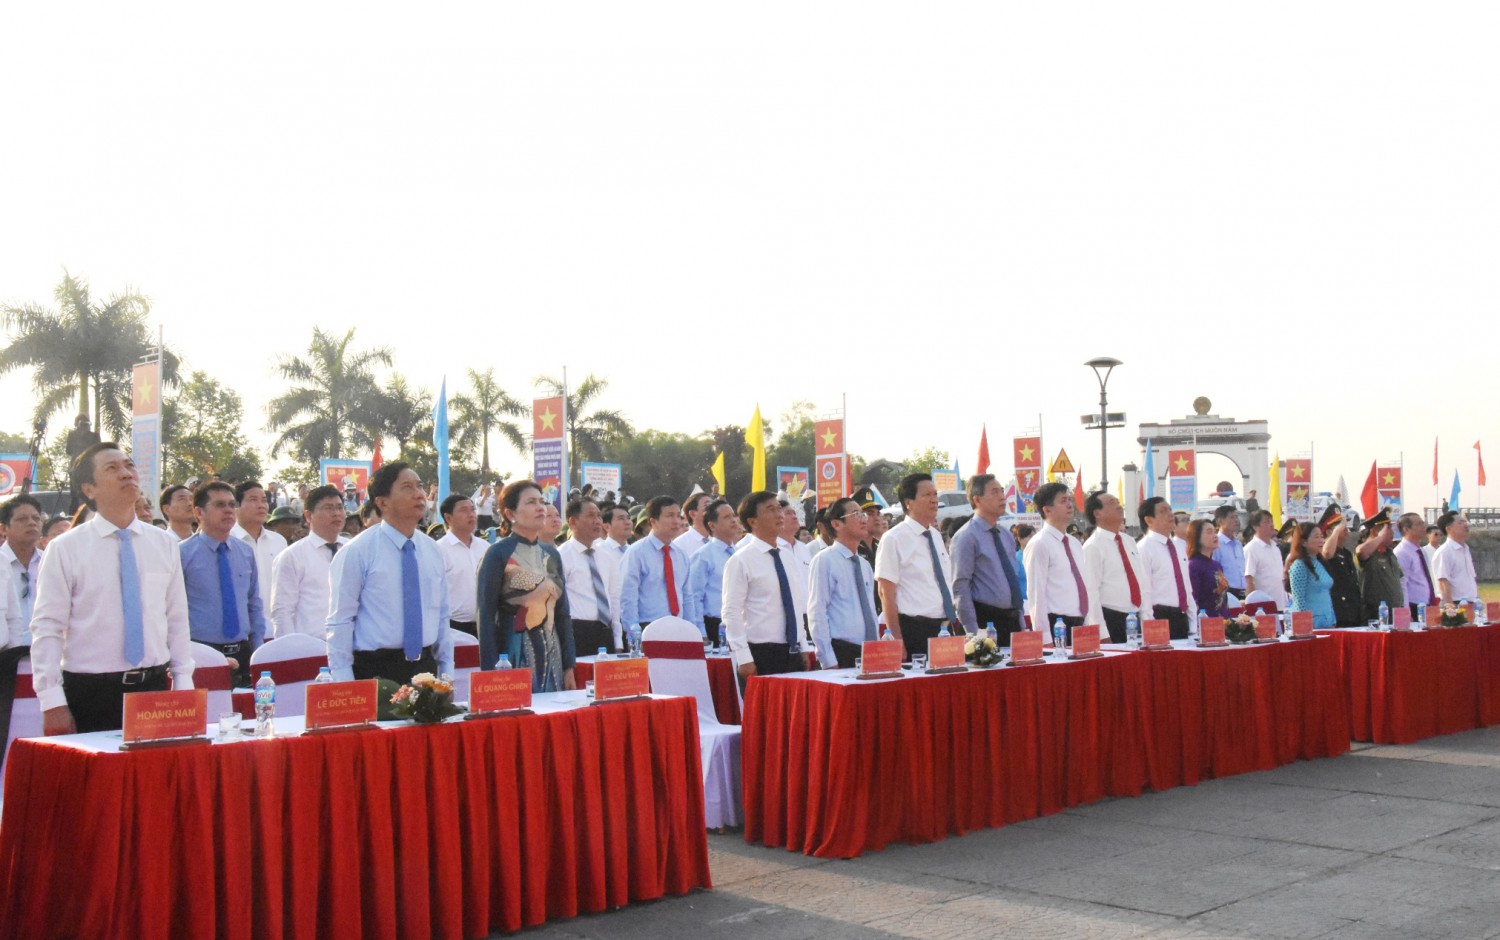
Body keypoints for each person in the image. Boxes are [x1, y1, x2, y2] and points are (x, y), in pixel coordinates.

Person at [30, 442, 195, 734]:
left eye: (129, 465)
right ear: (89, 489)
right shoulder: (66, 548)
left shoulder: (164, 544)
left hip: (153, 689)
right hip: (90, 692)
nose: (126, 473)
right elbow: (47, 627)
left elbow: (177, 618)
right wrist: (52, 701)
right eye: (112, 468)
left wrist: (183, 682)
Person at [326, 462, 454, 686]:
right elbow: (340, 621)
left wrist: (446, 673)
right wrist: (345, 683)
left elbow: (442, 615)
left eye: (419, 486)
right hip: (376, 670)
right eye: (407, 487)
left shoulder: (432, 550)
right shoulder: (357, 551)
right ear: (382, 502)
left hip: (426, 669)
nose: (419, 494)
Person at [476, 480, 575, 691]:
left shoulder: (552, 554)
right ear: (510, 513)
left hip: (553, 655)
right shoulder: (497, 554)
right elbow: (485, 616)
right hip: (512, 655)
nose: (540, 507)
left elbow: (562, 614)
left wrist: (569, 666)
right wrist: (490, 675)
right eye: (531, 502)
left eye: (542, 501)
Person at [180, 482, 265, 687]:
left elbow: (253, 603)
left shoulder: (245, 551)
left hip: (242, 652)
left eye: (231, 504)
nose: (228, 510)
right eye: (219, 505)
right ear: (198, 512)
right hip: (201, 654)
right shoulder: (182, 553)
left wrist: (258, 649)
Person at [724, 491, 809, 689]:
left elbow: (795, 603)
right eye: (770, 510)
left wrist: (803, 645)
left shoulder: (787, 556)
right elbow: (731, 611)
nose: (779, 514)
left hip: (792, 652)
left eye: (779, 508)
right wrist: (743, 656)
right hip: (760, 653)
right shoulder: (741, 560)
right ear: (752, 521)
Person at [875, 473, 958, 660]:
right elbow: (885, 593)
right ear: (908, 503)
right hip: (914, 630)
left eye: (935, 494)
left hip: (945, 628)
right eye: (927, 495)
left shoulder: (935, 536)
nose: (934, 500)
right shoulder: (893, 538)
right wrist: (897, 640)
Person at [950, 474, 1024, 644]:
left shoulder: (1005, 535)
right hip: (984, 622)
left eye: (1002, 491)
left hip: (1011, 620)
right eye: (994, 492)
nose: (1002, 497)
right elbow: (961, 587)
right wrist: (973, 633)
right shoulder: (966, 536)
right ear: (977, 500)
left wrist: (1021, 622)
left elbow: (1013, 580)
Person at [808, 496, 880, 669]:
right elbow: (817, 611)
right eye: (856, 514)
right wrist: (828, 659)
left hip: (868, 651)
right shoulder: (825, 560)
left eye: (863, 514)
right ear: (836, 524)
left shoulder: (864, 565)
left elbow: (870, 609)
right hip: (840, 651)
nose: (863, 519)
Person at [269, 485, 348, 638]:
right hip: (312, 644)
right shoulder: (292, 556)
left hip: (354, 644)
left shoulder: (353, 549)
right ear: (308, 515)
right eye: (329, 508)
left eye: (340, 507)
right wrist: (290, 648)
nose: (337, 513)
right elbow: (282, 611)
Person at [1023, 482, 1089, 641]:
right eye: (1063, 501)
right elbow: (1036, 594)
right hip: (1056, 624)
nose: (1069, 504)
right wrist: (1044, 637)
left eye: (1069, 499)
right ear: (1047, 510)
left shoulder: (1074, 543)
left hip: (1079, 623)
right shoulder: (1039, 544)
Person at [1081, 490, 1149, 643]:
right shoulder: (1093, 546)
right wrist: (1101, 633)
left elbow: (1141, 581)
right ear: (1097, 513)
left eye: (1118, 502)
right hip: (1111, 619)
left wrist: (1147, 619)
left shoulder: (1129, 541)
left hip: (1135, 619)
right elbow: (1091, 592)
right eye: (1112, 503)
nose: (1119, 506)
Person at [557, 496, 623, 652]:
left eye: (599, 516)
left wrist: (618, 640)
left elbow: (613, 598)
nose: (597, 521)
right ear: (573, 522)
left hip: (605, 631)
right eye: (591, 516)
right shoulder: (561, 556)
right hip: (577, 632)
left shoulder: (606, 556)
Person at [618, 496, 689, 629]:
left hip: (678, 626)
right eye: (670, 516)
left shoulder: (681, 555)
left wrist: (693, 629)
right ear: (653, 521)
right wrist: (633, 632)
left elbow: (687, 596)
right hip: (647, 626)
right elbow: (627, 597)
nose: (676, 521)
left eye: (678, 516)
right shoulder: (636, 553)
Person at [1137, 496, 1197, 639]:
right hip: (1158, 616)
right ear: (1149, 520)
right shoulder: (1144, 548)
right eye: (1163, 511)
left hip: (1181, 616)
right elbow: (1144, 590)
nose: (1170, 515)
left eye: (1170, 510)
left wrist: (1193, 619)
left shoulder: (1178, 546)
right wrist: (1149, 624)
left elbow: (1186, 585)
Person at [684, 498, 740, 643]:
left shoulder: (740, 553)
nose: (733, 520)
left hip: (740, 624)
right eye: (726, 517)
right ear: (712, 525)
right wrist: (700, 632)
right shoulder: (703, 556)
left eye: (733, 515)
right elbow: (695, 597)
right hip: (714, 626)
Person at [436, 493, 490, 638]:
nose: (471, 514)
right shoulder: (438, 549)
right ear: (448, 518)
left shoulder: (485, 547)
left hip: (485, 624)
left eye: (472, 509)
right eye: (464, 510)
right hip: (454, 628)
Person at [231, 480, 287, 615]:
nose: (261, 505)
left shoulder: (279, 541)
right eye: (253, 500)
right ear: (236, 506)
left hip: (276, 622)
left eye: (264, 500)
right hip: (242, 622)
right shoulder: (227, 542)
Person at [0, 494, 45, 628]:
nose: (32, 523)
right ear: (3, 529)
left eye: (36, 518)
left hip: (45, 639)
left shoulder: (50, 560)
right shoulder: (2, 563)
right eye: (22, 519)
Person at [1316, 508, 1364, 627]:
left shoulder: (1346, 553)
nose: (1346, 530)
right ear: (1329, 532)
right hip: (1339, 610)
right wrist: (1336, 532)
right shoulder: (1325, 550)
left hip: (1353, 610)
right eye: (1342, 528)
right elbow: (1327, 553)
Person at [1356, 510, 1403, 622]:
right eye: (1388, 529)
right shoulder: (1369, 552)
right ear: (1375, 531)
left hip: (1395, 613)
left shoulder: (1390, 554)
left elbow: (1398, 584)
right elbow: (1361, 552)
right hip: (1375, 614)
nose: (1392, 533)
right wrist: (1380, 537)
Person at [1287, 522, 1336, 628]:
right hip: (1311, 625)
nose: (1321, 540)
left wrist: (1332, 620)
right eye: (1316, 537)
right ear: (1304, 542)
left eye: (1321, 537)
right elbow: (1299, 600)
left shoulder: (1320, 562)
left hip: (1327, 621)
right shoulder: (1299, 565)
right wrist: (1306, 626)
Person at [1393, 511, 1439, 617]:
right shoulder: (1401, 552)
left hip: (1427, 605)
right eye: (1419, 524)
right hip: (1413, 606)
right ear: (1406, 529)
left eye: (1423, 523)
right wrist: (1406, 612)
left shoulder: (1421, 550)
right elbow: (1401, 584)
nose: (1424, 527)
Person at [1243, 510, 1290, 612]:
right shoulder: (1251, 549)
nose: (1271, 525)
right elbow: (1248, 579)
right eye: (1266, 522)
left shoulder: (1275, 547)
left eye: (1271, 521)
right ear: (1255, 526)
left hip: (1281, 604)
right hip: (1263, 608)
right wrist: (1251, 607)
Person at [1432, 512, 1478, 604]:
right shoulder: (1444, 551)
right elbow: (1442, 582)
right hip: (1455, 603)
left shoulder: (1465, 549)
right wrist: (1450, 607)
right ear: (1449, 529)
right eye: (1460, 523)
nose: (1465, 525)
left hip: (1470, 602)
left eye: (1465, 522)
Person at [1185, 519, 1228, 618]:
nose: (1215, 536)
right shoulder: (1193, 565)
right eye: (1209, 532)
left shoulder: (1217, 565)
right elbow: (1192, 599)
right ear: (1196, 537)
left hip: (1223, 620)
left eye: (1215, 532)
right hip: (1205, 621)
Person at [1211, 505, 1246, 598]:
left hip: (1243, 592)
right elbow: (1214, 571)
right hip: (1227, 592)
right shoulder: (1216, 543)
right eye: (1231, 517)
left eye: (1236, 517)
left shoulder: (1238, 544)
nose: (1236, 520)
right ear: (1220, 521)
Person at [674, 492, 713, 557]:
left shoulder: (721, 540)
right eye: (707, 506)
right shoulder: (679, 545)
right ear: (693, 514)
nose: (713, 510)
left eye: (713, 505)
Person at [1013, 523, 1035, 604]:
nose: (1033, 539)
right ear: (1020, 539)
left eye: (1034, 536)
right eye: (1029, 536)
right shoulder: (1016, 558)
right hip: (1024, 602)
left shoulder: (1039, 556)